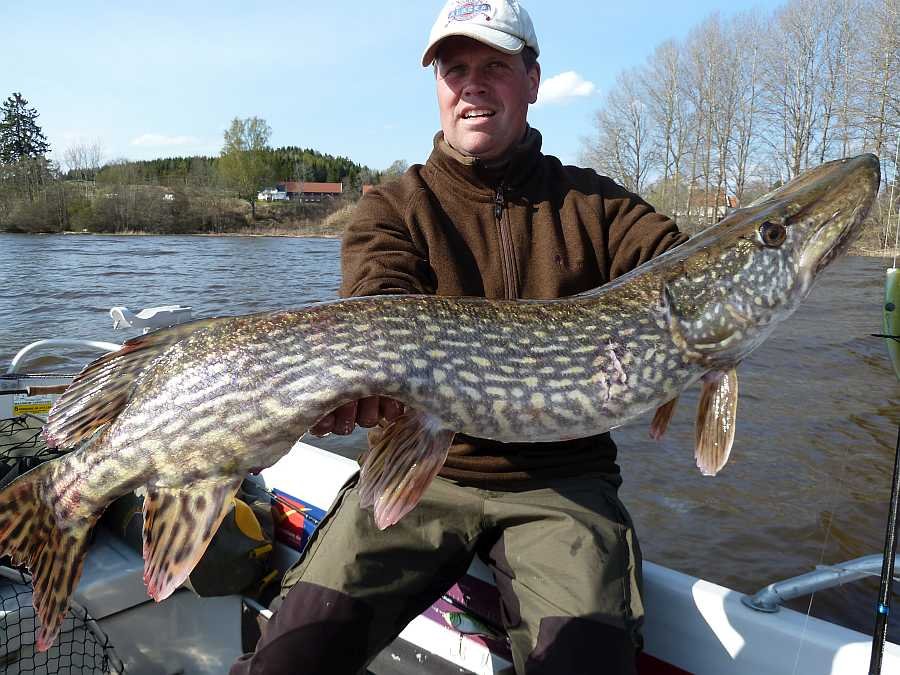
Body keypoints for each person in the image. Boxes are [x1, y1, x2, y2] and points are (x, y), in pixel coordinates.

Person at [231, 1, 687, 673]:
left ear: (532, 80)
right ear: (439, 85)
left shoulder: (601, 208)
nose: (472, 85)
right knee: (288, 660)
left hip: (561, 487)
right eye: (455, 68)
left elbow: (682, 271)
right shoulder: (392, 208)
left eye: (494, 67)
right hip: (422, 471)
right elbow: (379, 311)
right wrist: (360, 391)